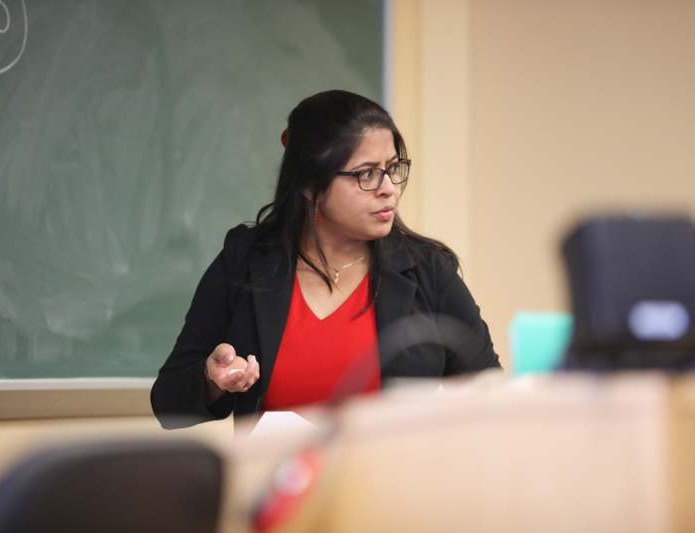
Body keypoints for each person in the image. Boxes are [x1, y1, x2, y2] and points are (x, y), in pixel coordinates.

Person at [151, 90, 500, 429]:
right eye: (366, 174)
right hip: (279, 484)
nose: (388, 187)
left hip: (398, 485)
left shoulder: (428, 271)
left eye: (393, 168)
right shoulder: (246, 260)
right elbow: (168, 404)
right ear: (309, 184)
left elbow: (490, 398)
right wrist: (213, 381)